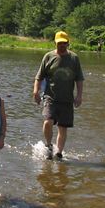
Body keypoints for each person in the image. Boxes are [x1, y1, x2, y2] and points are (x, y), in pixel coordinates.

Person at [33, 31, 84, 160]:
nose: (61, 45)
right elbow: (39, 77)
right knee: (47, 122)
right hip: (50, 97)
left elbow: (79, 79)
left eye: (64, 43)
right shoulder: (48, 57)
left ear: (68, 43)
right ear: (55, 43)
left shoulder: (74, 58)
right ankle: (49, 145)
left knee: (63, 127)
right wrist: (36, 92)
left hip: (67, 99)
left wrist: (79, 96)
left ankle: (59, 153)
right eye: (59, 43)